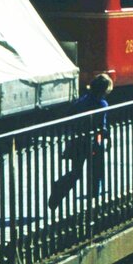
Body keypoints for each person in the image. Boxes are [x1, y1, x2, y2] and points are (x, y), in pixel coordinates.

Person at [48, 73, 113, 209]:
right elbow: (102, 126)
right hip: (93, 142)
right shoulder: (102, 104)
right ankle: (94, 197)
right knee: (97, 169)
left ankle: (60, 186)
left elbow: (70, 115)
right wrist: (108, 138)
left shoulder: (83, 100)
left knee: (76, 172)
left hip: (77, 141)